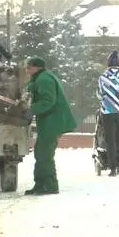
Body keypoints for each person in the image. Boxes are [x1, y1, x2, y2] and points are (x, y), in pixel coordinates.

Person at [21, 56, 77, 195]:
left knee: (45, 154)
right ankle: (40, 184)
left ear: (36, 67)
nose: (27, 70)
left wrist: (32, 109)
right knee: (40, 152)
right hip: (49, 121)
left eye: (29, 67)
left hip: (53, 122)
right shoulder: (42, 77)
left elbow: (48, 101)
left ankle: (50, 186)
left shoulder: (44, 79)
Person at [97, 51, 119, 176]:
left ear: (108, 63)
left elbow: (100, 94)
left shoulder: (103, 77)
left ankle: (112, 168)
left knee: (110, 140)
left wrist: (108, 100)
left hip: (108, 112)